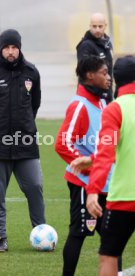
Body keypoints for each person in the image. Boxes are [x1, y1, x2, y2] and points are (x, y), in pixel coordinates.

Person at [0, 29, 45, 252]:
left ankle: (41, 232)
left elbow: (35, 103)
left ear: (20, 48)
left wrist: (26, 125)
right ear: (0, 48)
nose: (11, 52)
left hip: (26, 143)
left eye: (14, 47)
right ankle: (0, 237)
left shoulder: (31, 72)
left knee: (35, 186)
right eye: (7, 48)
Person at [55, 56, 121, 276]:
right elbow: (62, 144)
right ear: (90, 75)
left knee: (113, 237)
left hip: (105, 182)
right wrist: (88, 168)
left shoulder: (103, 103)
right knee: (79, 233)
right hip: (84, 184)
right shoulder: (78, 106)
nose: (109, 77)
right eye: (104, 72)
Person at [70, 55, 135, 276]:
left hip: (124, 199)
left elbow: (107, 154)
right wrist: (90, 159)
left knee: (109, 256)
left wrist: (92, 192)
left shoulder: (114, 109)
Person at [76, 12, 113, 103]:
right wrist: (98, 96)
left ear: (105, 26)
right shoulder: (86, 45)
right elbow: (85, 74)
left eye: (100, 26)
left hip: (106, 94)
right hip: (92, 96)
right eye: (94, 26)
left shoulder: (107, 43)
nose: (97, 29)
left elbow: (109, 70)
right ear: (90, 26)